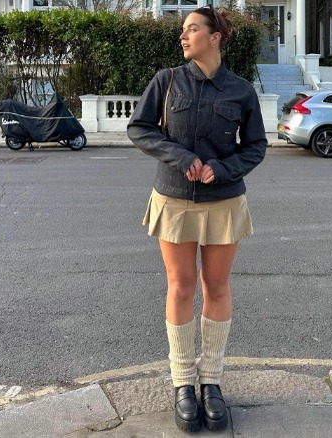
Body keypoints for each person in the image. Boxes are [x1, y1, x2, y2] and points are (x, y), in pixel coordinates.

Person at [126, 5, 267, 433]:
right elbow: (139, 128)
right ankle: (183, 383)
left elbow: (256, 146)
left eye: (191, 29)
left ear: (215, 37)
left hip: (224, 201)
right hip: (173, 199)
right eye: (183, 30)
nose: (183, 37)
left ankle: (212, 382)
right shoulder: (167, 81)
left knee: (217, 287)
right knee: (181, 285)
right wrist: (182, 157)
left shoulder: (241, 91)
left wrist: (221, 169)